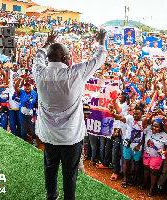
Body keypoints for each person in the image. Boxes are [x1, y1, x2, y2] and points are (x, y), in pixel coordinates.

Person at [32, 29, 106, 200]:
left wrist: (47, 43)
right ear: (65, 58)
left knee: (50, 167)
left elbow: (38, 56)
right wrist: (101, 41)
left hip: (49, 135)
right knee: (70, 172)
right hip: (71, 136)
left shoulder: (39, 71)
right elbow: (99, 58)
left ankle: (51, 195)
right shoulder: (76, 72)